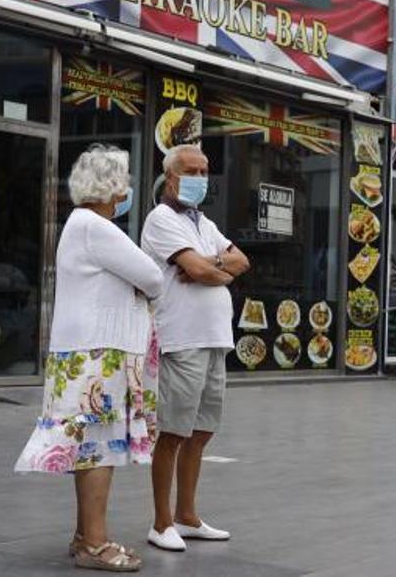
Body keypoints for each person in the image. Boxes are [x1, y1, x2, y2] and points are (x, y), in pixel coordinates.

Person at [15, 145, 163, 572]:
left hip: (88, 352)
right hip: (98, 357)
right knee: (100, 447)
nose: (128, 190)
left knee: (92, 447)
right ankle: (95, 543)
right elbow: (152, 276)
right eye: (125, 183)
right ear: (111, 187)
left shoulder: (81, 225)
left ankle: (85, 536)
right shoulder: (95, 227)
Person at [141, 144, 250, 552]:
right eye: (192, 171)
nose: (201, 178)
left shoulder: (204, 223)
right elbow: (202, 268)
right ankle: (161, 521)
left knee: (202, 431)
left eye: (205, 171)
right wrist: (210, 267)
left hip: (215, 338)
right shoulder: (161, 219)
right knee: (172, 432)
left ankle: (187, 516)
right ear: (170, 176)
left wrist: (210, 267)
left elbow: (240, 262)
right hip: (181, 338)